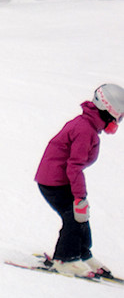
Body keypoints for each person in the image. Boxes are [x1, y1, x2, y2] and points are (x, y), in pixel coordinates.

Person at [34, 84, 124, 278]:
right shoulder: (85, 130)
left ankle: (83, 255)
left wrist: (80, 201)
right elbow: (74, 167)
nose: (119, 122)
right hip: (53, 180)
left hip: (59, 178)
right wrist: (80, 197)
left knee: (80, 216)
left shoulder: (88, 125)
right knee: (73, 216)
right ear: (109, 110)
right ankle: (65, 259)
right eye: (120, 117)